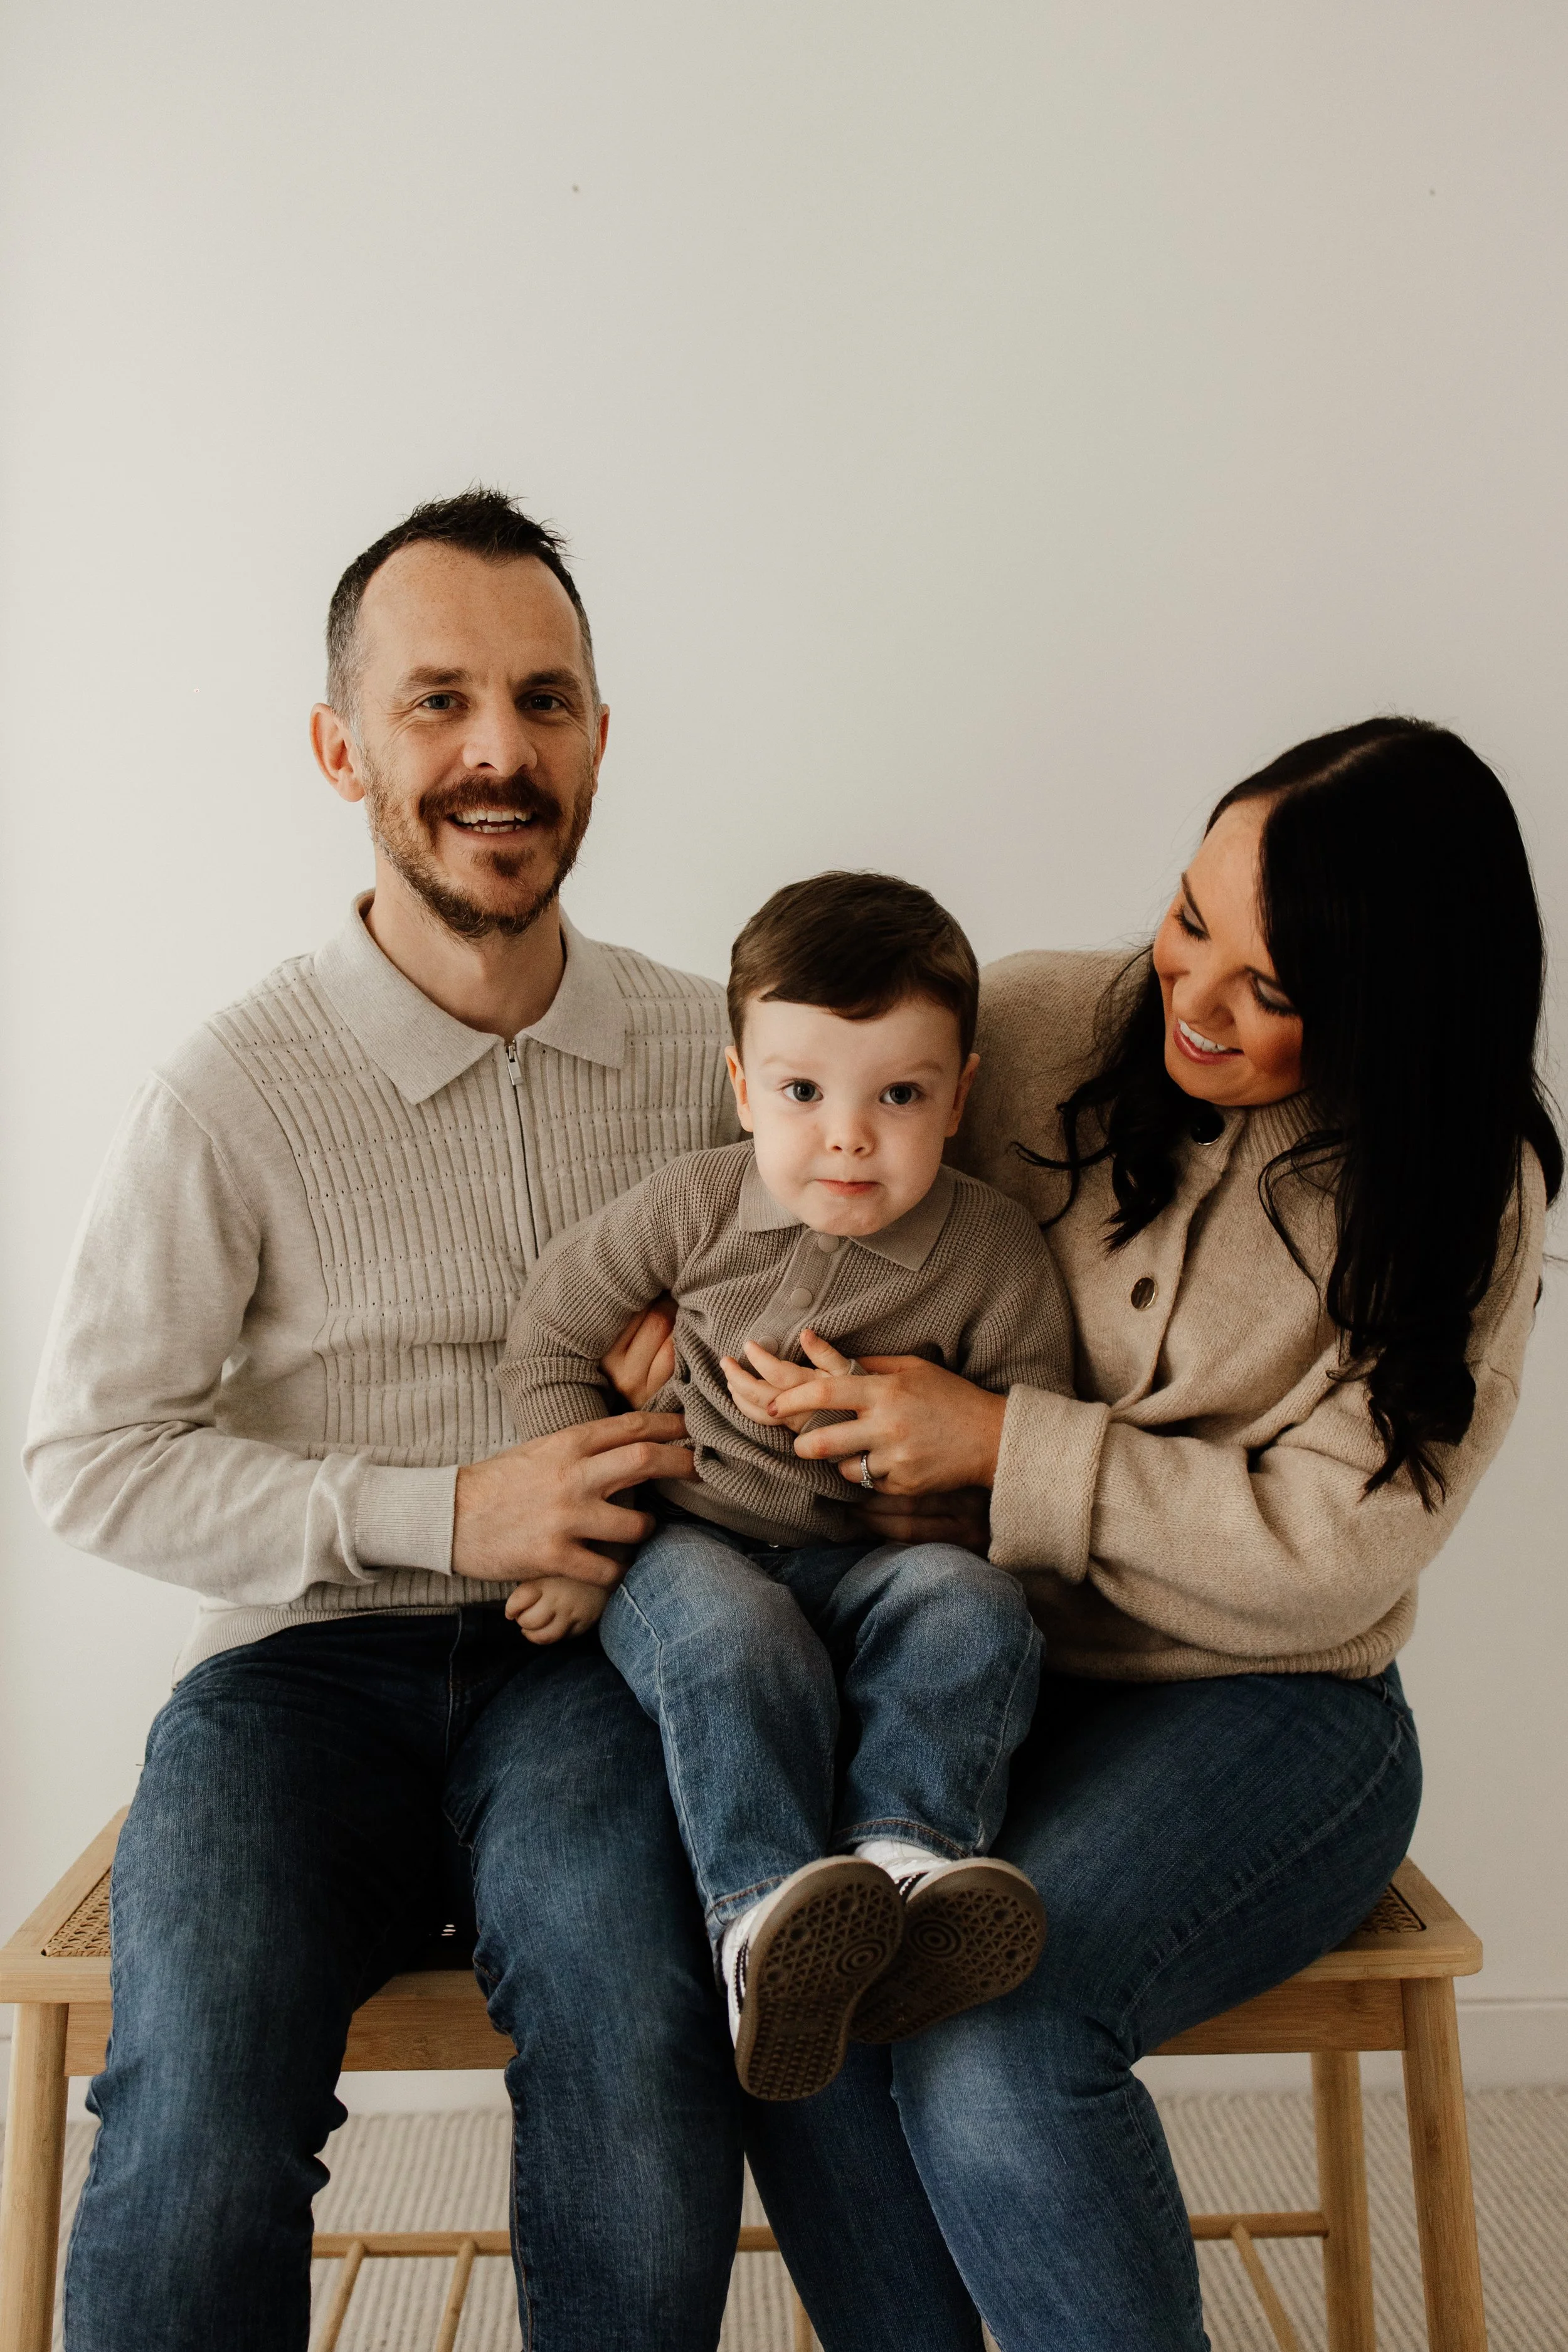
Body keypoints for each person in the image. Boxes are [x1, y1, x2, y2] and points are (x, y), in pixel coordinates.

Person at [658, 719, 1557, 2349]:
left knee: (994, 2029)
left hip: (1275, 1708)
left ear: (1392, 1009)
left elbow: (1335, 1555)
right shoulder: (1028, 1028)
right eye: (1187, 917)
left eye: (1271, 988)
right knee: (808, 1990)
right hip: (983, 1676)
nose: (1191, 996)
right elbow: (788, 1177)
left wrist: (1007, 1451)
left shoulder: (1460, 1190)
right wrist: (667, 1331)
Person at [25, 490, 751, 2352]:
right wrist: (445, 1510)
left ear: (600, 736)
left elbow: (859, 1317)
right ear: (339, 747)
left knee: (642, 2037)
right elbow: (89, 1458)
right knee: (196, 2105)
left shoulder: (723, 1060)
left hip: (585, 1672)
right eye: (438, 701)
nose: (499, 750)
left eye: (543, 699)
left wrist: (722, 1370)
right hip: (291, 1680)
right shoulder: (228, 1088)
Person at [498, 872, 1064, 2101]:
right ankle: (762, 1931)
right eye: (803, 1092)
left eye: (898, 1095)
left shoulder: (992, 1256)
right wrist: (578, 1542)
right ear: (743, 1086)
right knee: (729, 1631)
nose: (847, 1136)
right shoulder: (692, 1208)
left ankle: (904, 1867)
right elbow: (548, 1334)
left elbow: (1029, 1453)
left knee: (973, 1610)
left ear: (959, 1096)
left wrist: (954, 1505)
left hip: (872, 1563)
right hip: (689, 1540)